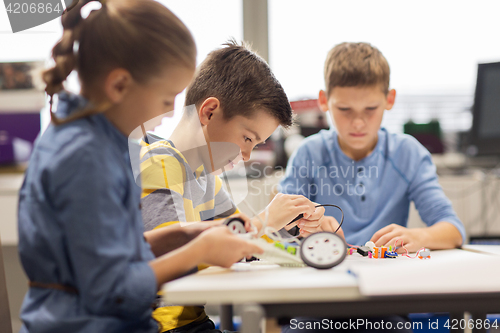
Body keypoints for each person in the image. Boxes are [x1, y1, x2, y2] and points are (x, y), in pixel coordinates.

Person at [17, 1, 263, 332]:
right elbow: (112, 289)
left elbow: (117, 249)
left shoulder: (106, 142)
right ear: (119, 86)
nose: (172, 111)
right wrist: (198, 252)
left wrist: (194, 233)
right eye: (166, 98)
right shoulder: (84, 157)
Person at [279, 42, 465, 332]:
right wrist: (305, 224)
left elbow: (452, 230)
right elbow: (278, 226)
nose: (357, 122)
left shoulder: (408, 154)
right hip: (317, 300)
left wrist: (418, 236)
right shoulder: (309, 153)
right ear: (324, 101)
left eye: (370, 109)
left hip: (386, 303)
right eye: (344, 109)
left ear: (389, 99)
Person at [140, 41, 325, 332]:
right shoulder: (158, 163)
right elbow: (168, 260)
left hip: (195, 324)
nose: (248, 155)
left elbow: (238, 247)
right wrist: (264, 221)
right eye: (248, 138)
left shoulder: (205, 177)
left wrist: (295, 228)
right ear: (209, 112)